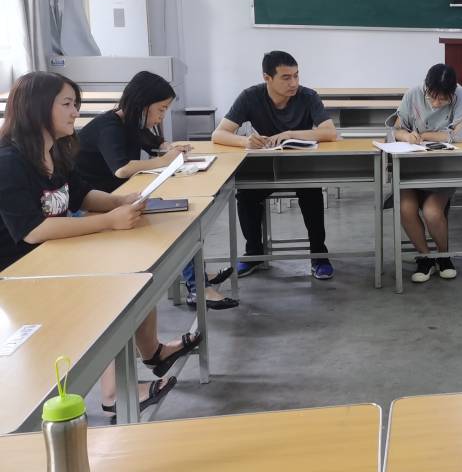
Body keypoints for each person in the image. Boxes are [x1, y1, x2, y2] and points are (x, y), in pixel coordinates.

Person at [0, 72, 201, 420]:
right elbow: (32, 231)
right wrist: (108, 221)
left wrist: (119, 201)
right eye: (67, 104)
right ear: (37, 108)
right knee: (112, 291)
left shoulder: (56, 150)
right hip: (20, 272)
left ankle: (152, 353)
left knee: (135, 270)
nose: (75, 112)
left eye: (75, 104)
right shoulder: (9, 161)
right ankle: (114, 393)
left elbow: (80, 195)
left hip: (54, 254)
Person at [75, 70, 237, 309]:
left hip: (119, 198)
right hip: (95, 205)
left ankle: (197, 277)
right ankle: (197, 286)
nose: (162, 117)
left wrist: (169, 147)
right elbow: (122, 169)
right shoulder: (109, 127)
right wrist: (165, 161)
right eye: (161, 109)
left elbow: (153, 142)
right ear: (142, 104)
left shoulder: (130, 124)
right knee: (175, 223)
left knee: (180, 215)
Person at [211, 51, 339, 280]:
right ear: (267, 78)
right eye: (286, 77)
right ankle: (254, 254)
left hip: (301, 167)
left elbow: (329, 132)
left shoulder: (308, 96)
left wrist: (291, 134)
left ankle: (319, 254)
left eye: (296, 76)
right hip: (266, 166)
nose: (294, 83)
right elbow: (218, 134)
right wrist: (245, 141)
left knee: (312, 192)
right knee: (246, 195)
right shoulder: (250, 96)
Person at [394, 63, 462, 283]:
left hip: (444, 167)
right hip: (411, 166)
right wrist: (407, 136)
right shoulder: (413, 94)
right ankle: (425, 257)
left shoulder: (461, 94)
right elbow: (396, 129)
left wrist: (425, 135)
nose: (436, 103)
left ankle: (443, 257)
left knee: (432, 212)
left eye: (443, 100)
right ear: (426, 87)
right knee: (405, 209)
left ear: (452, 93)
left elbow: (461, 135)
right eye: (432, 97)